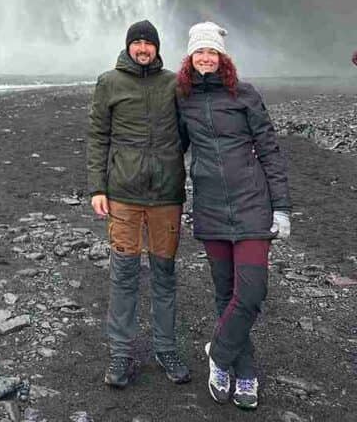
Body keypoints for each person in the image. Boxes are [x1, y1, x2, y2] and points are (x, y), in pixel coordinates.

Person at [176, 21, 291, 411]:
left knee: (252, 292)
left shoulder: (244, 95)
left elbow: (271, 152)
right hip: (210, 210)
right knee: (226, 294)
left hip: (252, 206)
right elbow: (169, 147)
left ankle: (218, 353)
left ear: (222, 58)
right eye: (199, 52)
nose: (206, 57)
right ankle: (244, 373)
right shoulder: (183, 99)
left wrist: (282, 207)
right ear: (190, 57)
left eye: (212, 52)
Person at [87, 20, 190, 388]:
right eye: (138, 43)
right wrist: (97, 187)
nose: (143, 48)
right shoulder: (109, 83)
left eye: (149, 43)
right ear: (128, 46)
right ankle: (120, 353)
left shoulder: (174, 83)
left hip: (165, 196)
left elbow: (189, 131)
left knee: (164, 275)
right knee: (124, 275)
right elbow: (98, 137)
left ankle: (166, 349)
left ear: (157, 48)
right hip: (124, 196)